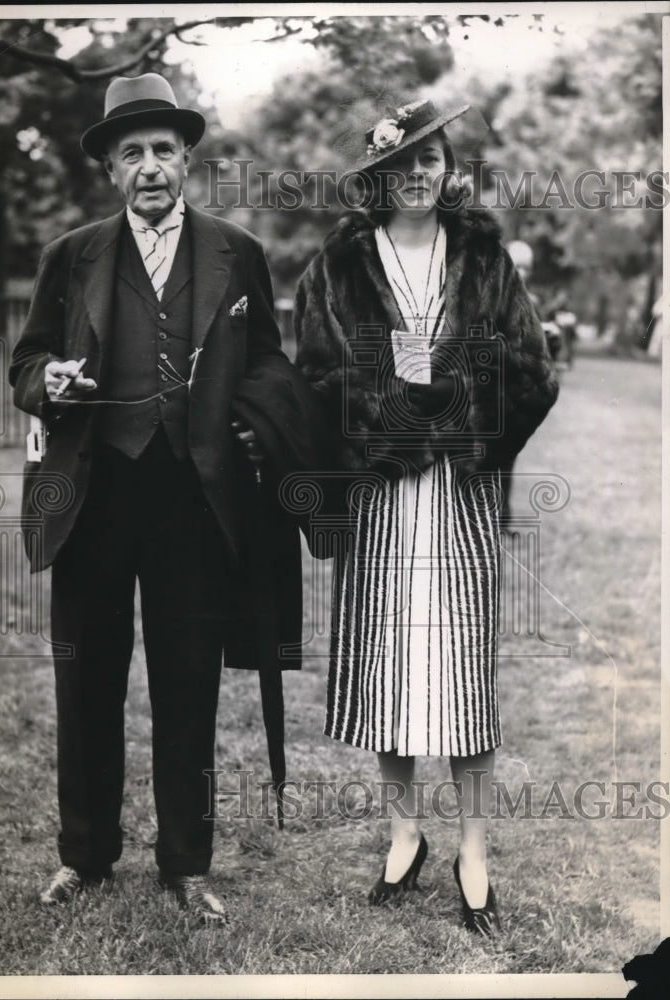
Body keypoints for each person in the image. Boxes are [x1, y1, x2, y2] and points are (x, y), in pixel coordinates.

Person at [9, 73, 316, 921]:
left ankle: (186, 863)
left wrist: (259, 416)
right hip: (92, 496)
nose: (150, 166)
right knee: (88, 683)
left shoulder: (236, 252)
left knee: (188, 684)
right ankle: (85, 855)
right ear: (110, 167)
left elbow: (266, 362)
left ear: (187, 160)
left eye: (164, 151)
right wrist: (51, 381)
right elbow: (25, 361)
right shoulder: (69, 255)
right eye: (132, 152)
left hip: (194, 497)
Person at [294, 98, 559, 935]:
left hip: (460, 491)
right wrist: (383, 411)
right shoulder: (337, 263)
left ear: (448, 167)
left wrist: (455, 414)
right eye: (400, 163)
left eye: (430, 159)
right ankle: (404, 834)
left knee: (461, 672)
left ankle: (472, 850)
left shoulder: (482, 252)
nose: (417, 174)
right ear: (376, 173)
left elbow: (530, 369)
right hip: (380, 493)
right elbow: (314, 378)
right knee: (388, 662)